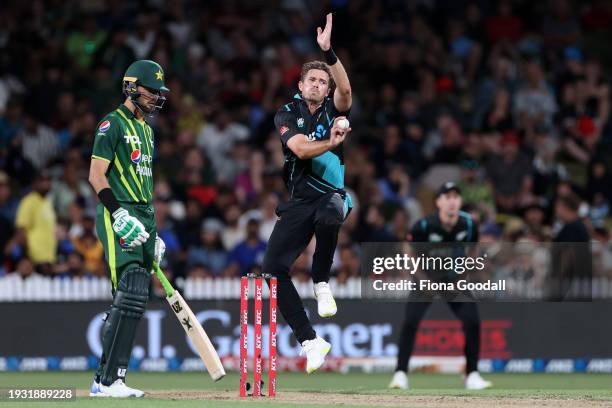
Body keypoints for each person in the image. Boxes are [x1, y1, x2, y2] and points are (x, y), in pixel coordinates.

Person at [262, 13, 353, 373]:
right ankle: (311, 341)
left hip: (331, 194)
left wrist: (329, 54)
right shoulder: (286, 112)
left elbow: (346, 92)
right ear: (301, 86)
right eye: (311, 80)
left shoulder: (335, 107)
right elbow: (299, 149)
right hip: (300, 201)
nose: (317, 85)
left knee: (332, 210)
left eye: (322, 81)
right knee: (272, 272)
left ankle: (321, 281)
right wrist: (329, 142)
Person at [87, 60, 169, 398]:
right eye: (151, 91)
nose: (156, 97)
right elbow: (96, 176)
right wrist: (119, 215)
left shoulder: (148, 131)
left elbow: (143, 184)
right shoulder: (112, 123)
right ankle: (106, 382)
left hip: (144, 214)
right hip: (116, 211)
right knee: (132, 289)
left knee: (133, 299)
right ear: (132, 87)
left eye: (159, 92)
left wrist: (154, 231)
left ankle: (111, 379)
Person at [389, 182, 492, 390]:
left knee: (472, 322)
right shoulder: (424, 226)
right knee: (410, 322)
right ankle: (400, 373)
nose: (452, 201)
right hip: (426, 278)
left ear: (460, 201)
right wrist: (422, 279)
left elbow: (473, 251)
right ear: (438, 202)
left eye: (456, 197)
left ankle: (472, 374)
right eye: (447, 197)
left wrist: (463, 276)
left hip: (453, 280)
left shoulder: (469, 225)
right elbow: (407, 249)